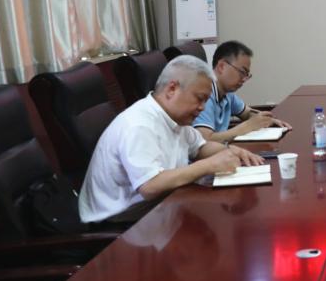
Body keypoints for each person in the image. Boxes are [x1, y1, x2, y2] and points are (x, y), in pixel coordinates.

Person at [78, 55, 264, 223]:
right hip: (122, 220)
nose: (202, 107)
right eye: (199, 98)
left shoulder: (175, 118)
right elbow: (149, 186)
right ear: (172, 89)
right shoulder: (139, 125)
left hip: (156, 207)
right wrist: (209, 165)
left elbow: (200, 147)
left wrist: (231, 151)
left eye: (206, 101)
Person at [194, 40, 291, 142]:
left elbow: (247, 113)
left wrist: (267, 120)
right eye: (242, 72)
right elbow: (205, 140)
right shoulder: (204, 94)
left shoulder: (228, 94)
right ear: (221, 67)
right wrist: (248, 126)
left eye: (247, 75)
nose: (244, 79)